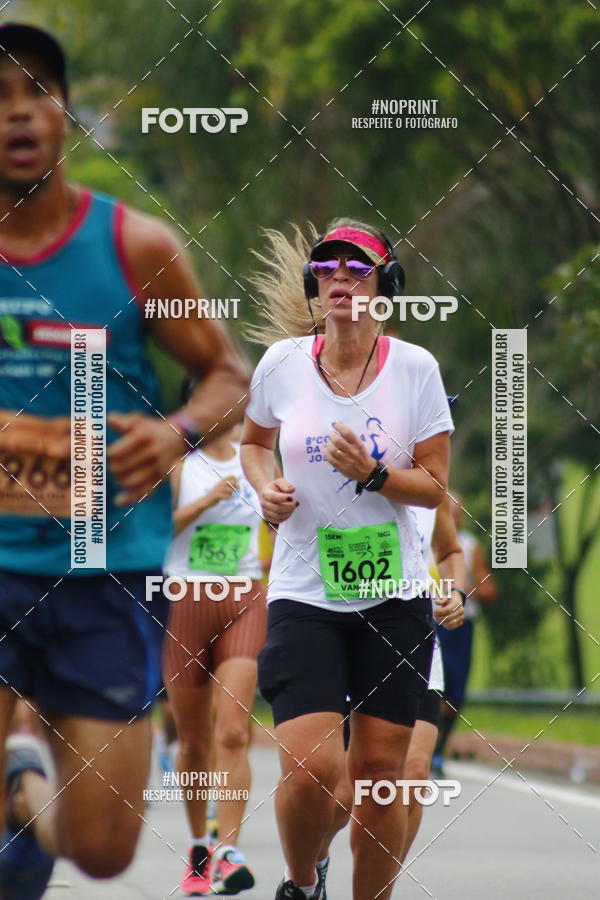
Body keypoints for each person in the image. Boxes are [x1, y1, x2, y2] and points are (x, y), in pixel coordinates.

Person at [0, 23, 248, 898]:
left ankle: (24, 795)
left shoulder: (137, 249)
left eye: (37, 90)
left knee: (102, 852)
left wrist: (176, 432)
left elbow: (226, 374)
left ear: (67, 112)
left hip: (106, 570)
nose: (20, 114)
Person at [241, 219, 454, 900]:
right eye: (328, 267)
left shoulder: (415, 369)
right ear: (314, 285)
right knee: (308, 772)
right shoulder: (281, 365)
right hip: (305, 592)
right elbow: (252, 444)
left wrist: (375, 473)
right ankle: (304, 883)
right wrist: (264, 488)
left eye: (357, 269)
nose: (340, 278)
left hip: (394, 595)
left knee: (381, 781)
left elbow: (436, 485)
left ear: (384, 287)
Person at [314, 492, 467, 897]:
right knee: (344, 796)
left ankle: (377, 891)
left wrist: (455, 593)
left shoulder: (428, 489)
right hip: (346, 645)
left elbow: (449, 550)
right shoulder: (339, 478)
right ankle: (315, 861)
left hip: (413, 645)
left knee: (412, 777)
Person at [163, 414, 266, 896]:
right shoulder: (180, 466)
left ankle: (228, 851)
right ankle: (198, 845)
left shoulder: (259, 457)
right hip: (184, 600)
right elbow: (152, 530)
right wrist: (207, 499)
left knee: (232, 729)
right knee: (193, 742)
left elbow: (283, 515)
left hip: (244, 597)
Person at [432, 493, 498, 776]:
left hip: (460, 627)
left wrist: (463, 589)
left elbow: (489, 589)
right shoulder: (420, 539)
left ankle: (438, 749)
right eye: (449, 511)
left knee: (454, 694)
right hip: (427, 624)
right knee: (429, 688)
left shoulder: (470, 546)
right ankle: (423, 748)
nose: (453, 518)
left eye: (457, 513)